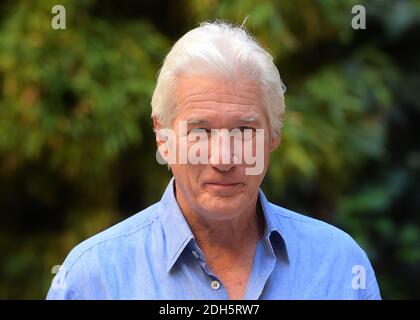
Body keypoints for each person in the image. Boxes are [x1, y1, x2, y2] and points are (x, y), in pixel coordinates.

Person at [47, 21, 381, 300]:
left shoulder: (339, 265)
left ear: (274, 135)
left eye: (243, 130)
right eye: (201, 131)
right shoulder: (93, 278)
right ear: (162, 136)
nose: (224, 158)